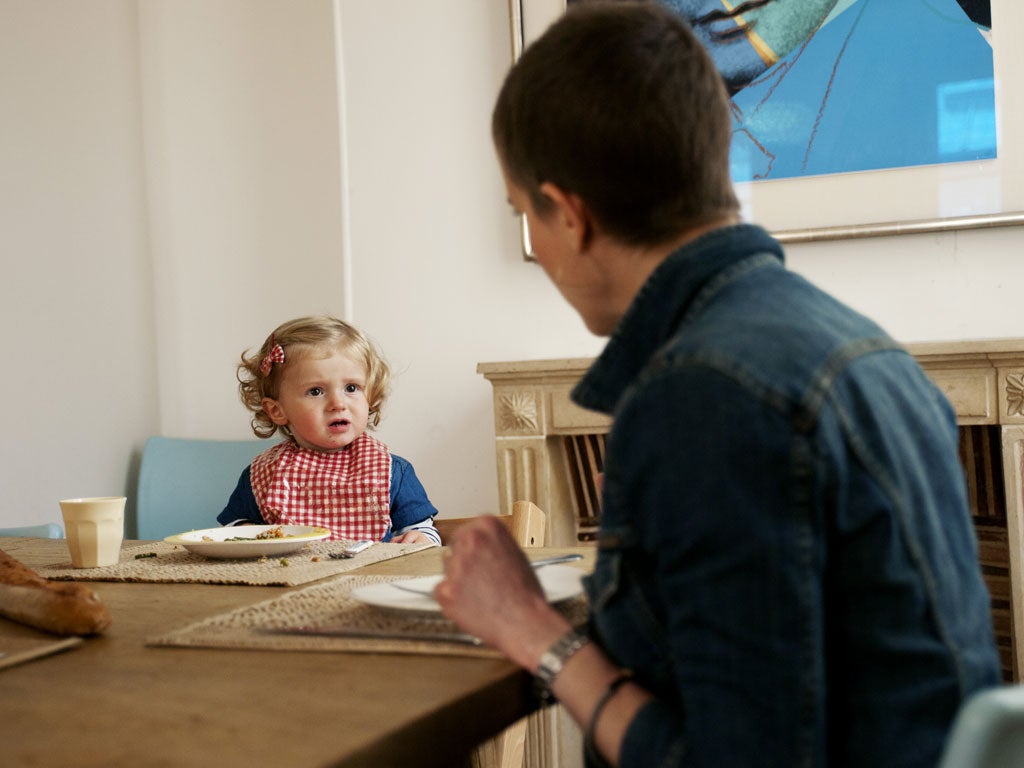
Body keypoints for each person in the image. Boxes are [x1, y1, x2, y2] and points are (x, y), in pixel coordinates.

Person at [433, 3, 1000, 767]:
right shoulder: (859, 347)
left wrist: (534, 630)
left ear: (568, 216)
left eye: (521, 213)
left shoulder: (706, 396)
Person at [218, 315, 440, 545]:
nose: (338, 403)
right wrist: (246, 533)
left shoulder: (392, 472)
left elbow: (423, 530)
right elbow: (231, 528)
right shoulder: (262, 474)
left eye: (351, 388)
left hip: (368, 577)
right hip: (290, 577)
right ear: (277, 410)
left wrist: (420, 539)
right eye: (316, 391)